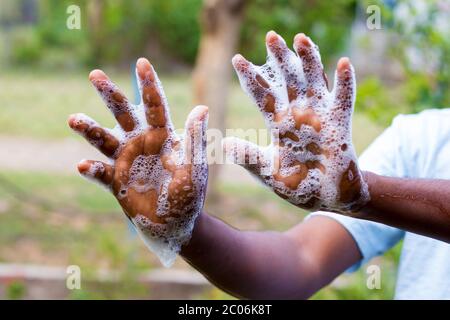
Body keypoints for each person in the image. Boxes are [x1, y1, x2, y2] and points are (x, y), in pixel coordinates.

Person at [68, 31, 450, 299]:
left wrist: (364, 195)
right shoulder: (424, 139)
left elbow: (361, 196)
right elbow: (297, 265)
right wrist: (185, 231)